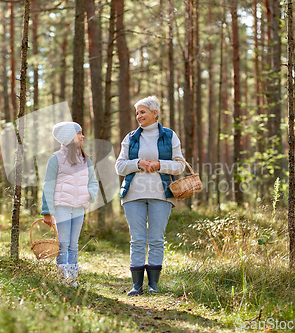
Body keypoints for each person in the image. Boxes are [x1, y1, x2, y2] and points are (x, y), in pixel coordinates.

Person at [115, 96, 186, 296]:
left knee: (156, 239)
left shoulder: (170, 136)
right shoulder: (130, 138)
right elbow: (119, 166)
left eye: (143, 112)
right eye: (137, 113)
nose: (139, 116)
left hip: (161, 194)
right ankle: (136, 286)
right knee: (137, 239)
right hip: (133, 194)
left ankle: (153, 285)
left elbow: (180, 165)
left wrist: (159, 165)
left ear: (155, 113)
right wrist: (138, 163)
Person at [41, 121, 99, 287]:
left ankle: (72, 279)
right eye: (79, 133)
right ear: (69, 137)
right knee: (64, 243)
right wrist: (47, 211)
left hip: (79, 208)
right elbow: (48, 185)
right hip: (62, 208)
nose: (83, 136)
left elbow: (93, 182)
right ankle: (61, 279)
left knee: (74, 244)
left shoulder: (85, 160)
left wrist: (88, 194)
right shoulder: (56, 159)